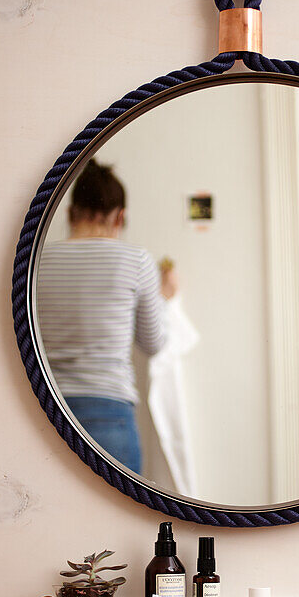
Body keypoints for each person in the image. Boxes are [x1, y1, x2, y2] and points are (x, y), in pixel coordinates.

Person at [36, 160, 177, 474]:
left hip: (46, 408)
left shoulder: (39, 260)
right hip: (109, 409)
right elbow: (153, 344)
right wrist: (164, 299)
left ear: (72, 213)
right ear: (121, 216)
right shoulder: (136, 260)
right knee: (114, 520)